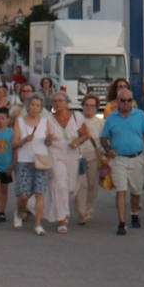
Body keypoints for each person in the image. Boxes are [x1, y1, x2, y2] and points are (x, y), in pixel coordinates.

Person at [100, 87, 144, 236]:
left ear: (132, 101)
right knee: (121, 190)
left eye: (129, 100)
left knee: (136, 191)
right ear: (117, 101)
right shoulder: (111, 118)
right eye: (123, 100)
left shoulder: (140, 115)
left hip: (136, 158)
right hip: (118, 159)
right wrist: (108, 149)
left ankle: (135, 214)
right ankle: (121, 223)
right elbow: (103, 138)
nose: (126, 103)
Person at [44, 91, 87, 233]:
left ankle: (60, 208)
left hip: (73, 155)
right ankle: (62, 219)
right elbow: (44, 139)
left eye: (60, 101)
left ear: (67, 102)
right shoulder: (48, 119)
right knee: (59, 184)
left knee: (70, 187)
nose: (57, 104)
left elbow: (85, 134)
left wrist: (77, 141)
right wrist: (47, 140)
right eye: (55, 101)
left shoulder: (76, 117)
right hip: (55, 155)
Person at [12, 95, 55, 235]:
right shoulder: (19, 121)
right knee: (23, 195)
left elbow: (49, 142)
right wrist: (25, 140)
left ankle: (38, 224)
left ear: (41, 108)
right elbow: (14, 143)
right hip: (24, 161)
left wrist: (49, 140)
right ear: (27, 106)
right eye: (32, 104)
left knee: (39, 194)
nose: (35, 108)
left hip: (41, 161)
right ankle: (19, 213)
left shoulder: (45, 121)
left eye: (38, 105)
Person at [76, 94, 106, 225]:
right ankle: (81, 212)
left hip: (93, 157)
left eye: (92, 106)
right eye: (86, 105)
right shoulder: (76, 120)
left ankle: (89, 210)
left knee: (92, 185)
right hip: (78, 157)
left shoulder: (101, 122)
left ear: (96, 108)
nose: (89, 108)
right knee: (80, 185)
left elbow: (105, 140)